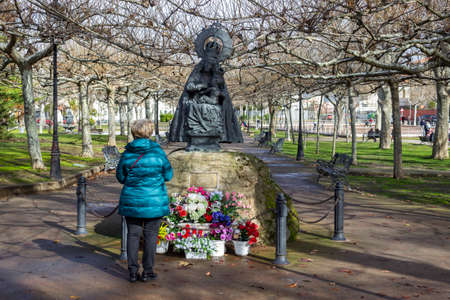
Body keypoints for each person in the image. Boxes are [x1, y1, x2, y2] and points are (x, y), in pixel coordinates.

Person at [116, 119, 173, 283]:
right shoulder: (158, 153)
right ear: (150, 133)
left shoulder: (127, 153)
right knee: (150, 237)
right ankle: (148, 271)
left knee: (132, 236)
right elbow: (168, 175)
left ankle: (133, 272)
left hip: (132, 201)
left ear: (134, 133)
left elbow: (121, 177)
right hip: (154, 202)